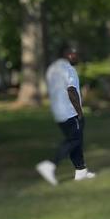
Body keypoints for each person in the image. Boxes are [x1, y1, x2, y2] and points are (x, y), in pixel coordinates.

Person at [36, 44, 96, 185]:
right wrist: (79, 111)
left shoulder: (52, 68)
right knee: (74, 140)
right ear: (67, 54)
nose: (77, 57)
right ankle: (50, 165)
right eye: (74, 54)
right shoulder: (68, 69)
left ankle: (81, 170)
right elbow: (71, 91)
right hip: (70, 111)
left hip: (58, 111)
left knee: (75, 139)